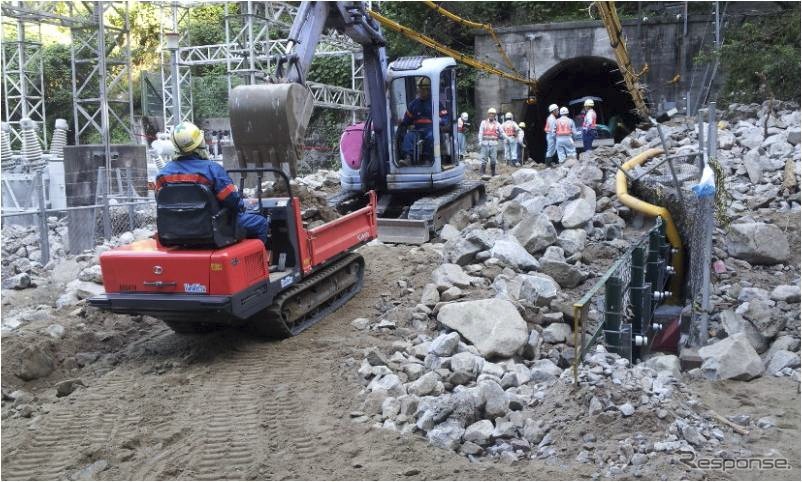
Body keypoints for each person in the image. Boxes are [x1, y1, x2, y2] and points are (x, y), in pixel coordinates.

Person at [156, 121, 268, 243]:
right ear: (200, 143)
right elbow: (232, 201)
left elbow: (161, 201)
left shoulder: (162, 175)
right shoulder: (212, 170)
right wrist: (241, 206)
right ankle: (262, 261)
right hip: (212, 228)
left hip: (176, 230)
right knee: (261, 222)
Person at [399, 77, 446, 165]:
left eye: (424, 90)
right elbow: (407, 120)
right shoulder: (413, 104)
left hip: (431, 129)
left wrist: (441, 121)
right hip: (417, 129)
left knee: (431, 136)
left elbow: (445, 117)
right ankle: (408, 158)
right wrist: (402, 122)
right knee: (408, 136)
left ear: (429, 90)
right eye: (420, 89)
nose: (422, 92)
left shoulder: (436, 103)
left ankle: (428, 159)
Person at [478, 107, 502, 176]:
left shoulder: (498, 124)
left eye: (493, 114)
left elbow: (502, 132)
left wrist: (506, 138)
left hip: (493, 144)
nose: (491, 115)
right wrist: (480, 141)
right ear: (488, 115)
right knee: (484, 158)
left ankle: (493, 172)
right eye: (490, 114)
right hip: (485, 143)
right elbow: (481, 132)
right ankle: (482, 171)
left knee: (493, 158)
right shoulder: (483, 123)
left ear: (495, 115)